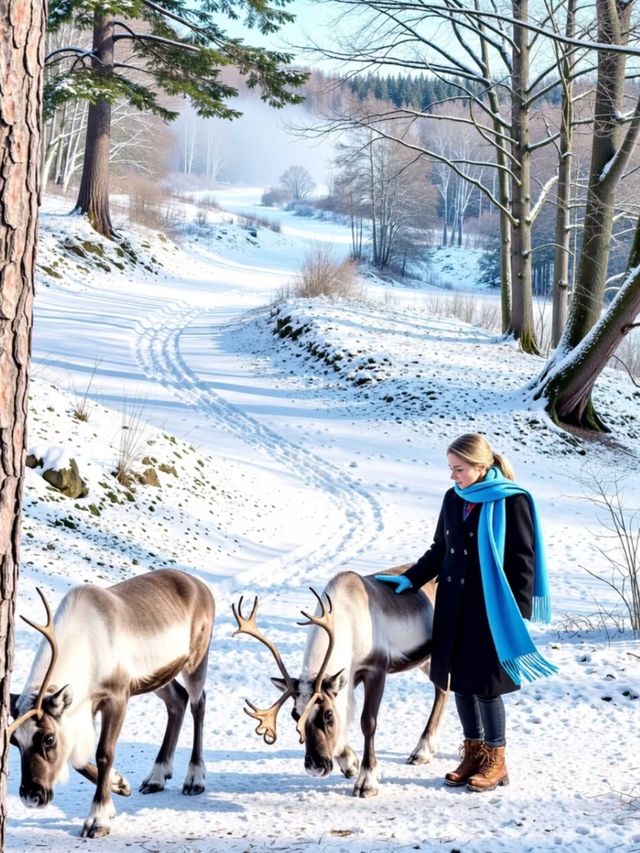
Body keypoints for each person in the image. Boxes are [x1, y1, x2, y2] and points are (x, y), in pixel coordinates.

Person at [375, 433, 557, 792]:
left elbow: (523, 559)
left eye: (458, 469)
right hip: (453, 605)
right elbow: (440, 548)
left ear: (481, 466)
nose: (452, 476)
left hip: (491, 607)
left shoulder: (511, 501)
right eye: (450, 469)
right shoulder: (453, 498)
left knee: (487, 687)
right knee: (458, 682)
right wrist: (410, 580)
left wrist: (515, 611)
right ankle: (472, 753)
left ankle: (495, 759)